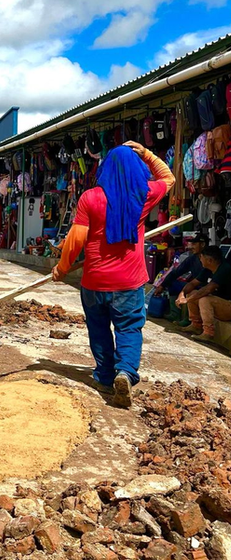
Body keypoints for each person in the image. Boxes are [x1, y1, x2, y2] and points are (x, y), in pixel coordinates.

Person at [52, 142, 175, 407]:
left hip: (94, 281)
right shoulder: (144, 194)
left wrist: (62, 269)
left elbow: (75, 239)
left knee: (98, 330)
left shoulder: (91, 197)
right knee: (129, 328)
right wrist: (148, 154)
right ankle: (125, 372)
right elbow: (169, 177)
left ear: (105, 167)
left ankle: (106, 377)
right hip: (129, 283)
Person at [178, 245, 231, 342]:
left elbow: (208, 289)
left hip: (228, 305)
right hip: (218, 302)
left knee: (204, 299)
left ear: (209, 260)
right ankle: (196, 325)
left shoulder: (225, 268)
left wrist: (187, 300)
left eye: (201, 258)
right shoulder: (208, 268)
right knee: (192, 293)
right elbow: (193, 283)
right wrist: (182, 294)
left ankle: (208, 332)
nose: (200, 260)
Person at [154, 234, 207, 323]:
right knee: (173, 284)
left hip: (205, 287)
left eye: (194, 244)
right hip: (195, 284)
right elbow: (175, 272)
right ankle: (175, 314)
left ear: (202, 244)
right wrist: (162, 285)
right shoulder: (192, 259)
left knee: (190, 291)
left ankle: (188, 319)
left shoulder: (210, 259)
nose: (192, 247)